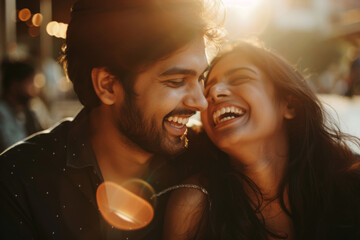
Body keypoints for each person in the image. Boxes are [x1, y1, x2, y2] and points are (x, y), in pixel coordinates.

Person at [0, 0, 222, 239]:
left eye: (200, 78)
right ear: (107, 85)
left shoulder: (210, 160)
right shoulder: (18, 182)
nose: (201, 102)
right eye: (176, 81)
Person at [164, 40, 360, 240]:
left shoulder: (350, 185)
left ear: (289, 104)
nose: (213, 93)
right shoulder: (196, 205)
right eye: (207, 90)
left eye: (240, 78)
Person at [0, 60, 43, 152]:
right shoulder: (2, 113)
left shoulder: (29, 113)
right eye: (30, 82)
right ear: (14, 85)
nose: (34, 88)